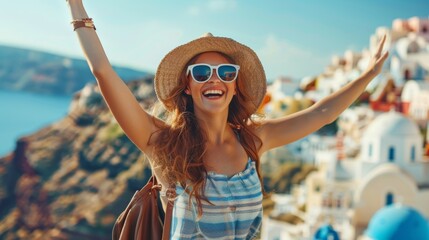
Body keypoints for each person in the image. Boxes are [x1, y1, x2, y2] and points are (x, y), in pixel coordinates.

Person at [66, 1, 388, 239]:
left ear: (234, 87)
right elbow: (103, 71)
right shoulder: (164, 144)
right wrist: (76, 6)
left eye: (225, 73)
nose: (214, 80)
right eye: (202, 73)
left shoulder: (254, 140)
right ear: (188, 87)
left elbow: (322, 113)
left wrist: (370, 74)